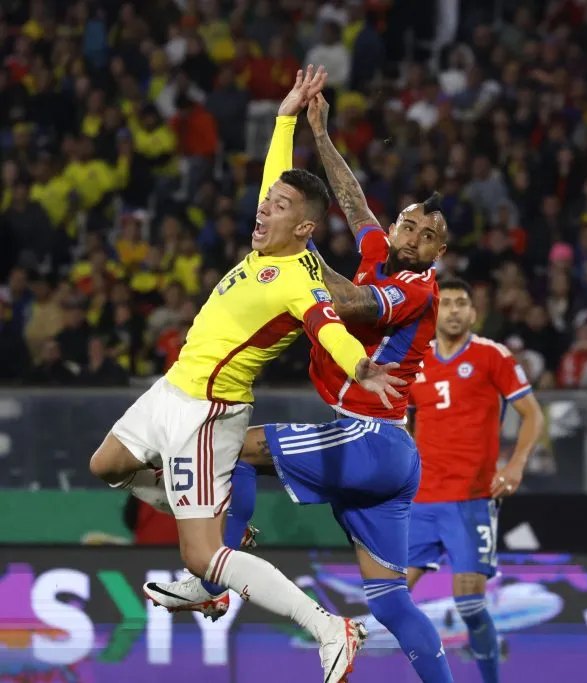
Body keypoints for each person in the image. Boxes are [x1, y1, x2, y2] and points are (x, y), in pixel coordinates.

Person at [89, 66, 403, 683]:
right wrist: (286, 115)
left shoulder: (298, 278)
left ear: (304, 227)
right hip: (173, 389)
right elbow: (273, 178)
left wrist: (362, 366)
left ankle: (328, 628)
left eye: (280, 207)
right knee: (108, 466)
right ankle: (214, 523)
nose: (265, 209)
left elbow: (328, 327)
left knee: (202, 555)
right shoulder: (268, 246)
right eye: (268, 202)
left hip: (209, 413)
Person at [145, 90, 456, 683]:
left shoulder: (417, 288)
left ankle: (211, 580)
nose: (412, 236)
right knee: (390, 601)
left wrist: (300, 259)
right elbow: (352, 200)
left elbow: (355, 304)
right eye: (407, 223)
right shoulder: (378, 250)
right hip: (392, 457)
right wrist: (321, 132)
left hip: (371, 441)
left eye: (427, 234)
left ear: (439, 252)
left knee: (232, 446)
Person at [406, 277, 544, 683]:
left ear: (472, 312)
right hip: (421, 499)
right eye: (445, 303)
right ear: (434, 311)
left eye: (461, 303)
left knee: (469, 604)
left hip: (471, 498)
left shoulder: (492, 356)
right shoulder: (415, 359)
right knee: (388, 599)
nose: (452, 310)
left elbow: (533, 414)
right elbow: (404, 423)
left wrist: (515, 465)